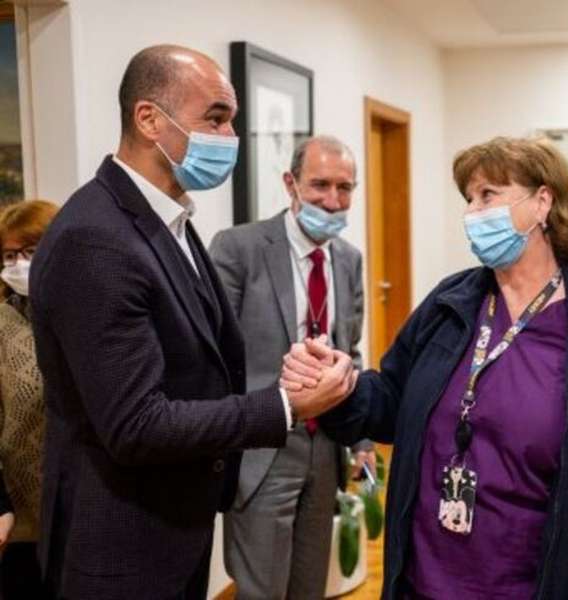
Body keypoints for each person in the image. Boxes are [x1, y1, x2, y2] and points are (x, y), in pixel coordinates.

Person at [28, 45, 354, 600]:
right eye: (216, 118)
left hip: (175, 526)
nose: (229, 139)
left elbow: (202, 357)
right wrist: (284, 405)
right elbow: (136, 424)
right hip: (121, 547)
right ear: (149, 118)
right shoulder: (96, 238)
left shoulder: (170, 220)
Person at [282, 137, 568, 599]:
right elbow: (390, 400)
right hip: (422, 581)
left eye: (488, 195)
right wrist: (341, 386)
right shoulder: (452, 304)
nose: (472, 212)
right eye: (469, 197)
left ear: (542, 201)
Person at [209, 136, 374, 600]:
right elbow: (215, 357)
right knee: (263, 590)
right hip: (262, 447)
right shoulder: (239, 249)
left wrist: (360, 437)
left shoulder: (347, 260)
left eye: (345, 188)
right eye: (320, 185)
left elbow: (351, 353)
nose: (333, 200)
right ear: (291, 184)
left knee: (310, 586)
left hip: (325, 449)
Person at [0, 200, 58, 599]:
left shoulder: (85, 316)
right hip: (19, 523)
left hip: (81, 516)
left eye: (31, 252)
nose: (19, 263)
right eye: (8, 255)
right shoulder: (2, 324)